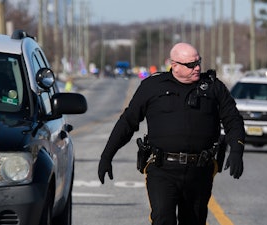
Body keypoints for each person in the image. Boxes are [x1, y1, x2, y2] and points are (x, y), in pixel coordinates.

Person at [98, 42, 245, 225]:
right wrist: (107, 156)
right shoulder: (153, 86)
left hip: (200, 170)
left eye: (198, 62)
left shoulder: (214, 87)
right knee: (162, 219)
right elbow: (128, 122)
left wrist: (237, 150)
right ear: (174, 65)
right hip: (162, 169)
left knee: (194, 220)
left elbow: (233, 120)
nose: (197, 68)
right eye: (191, 65)